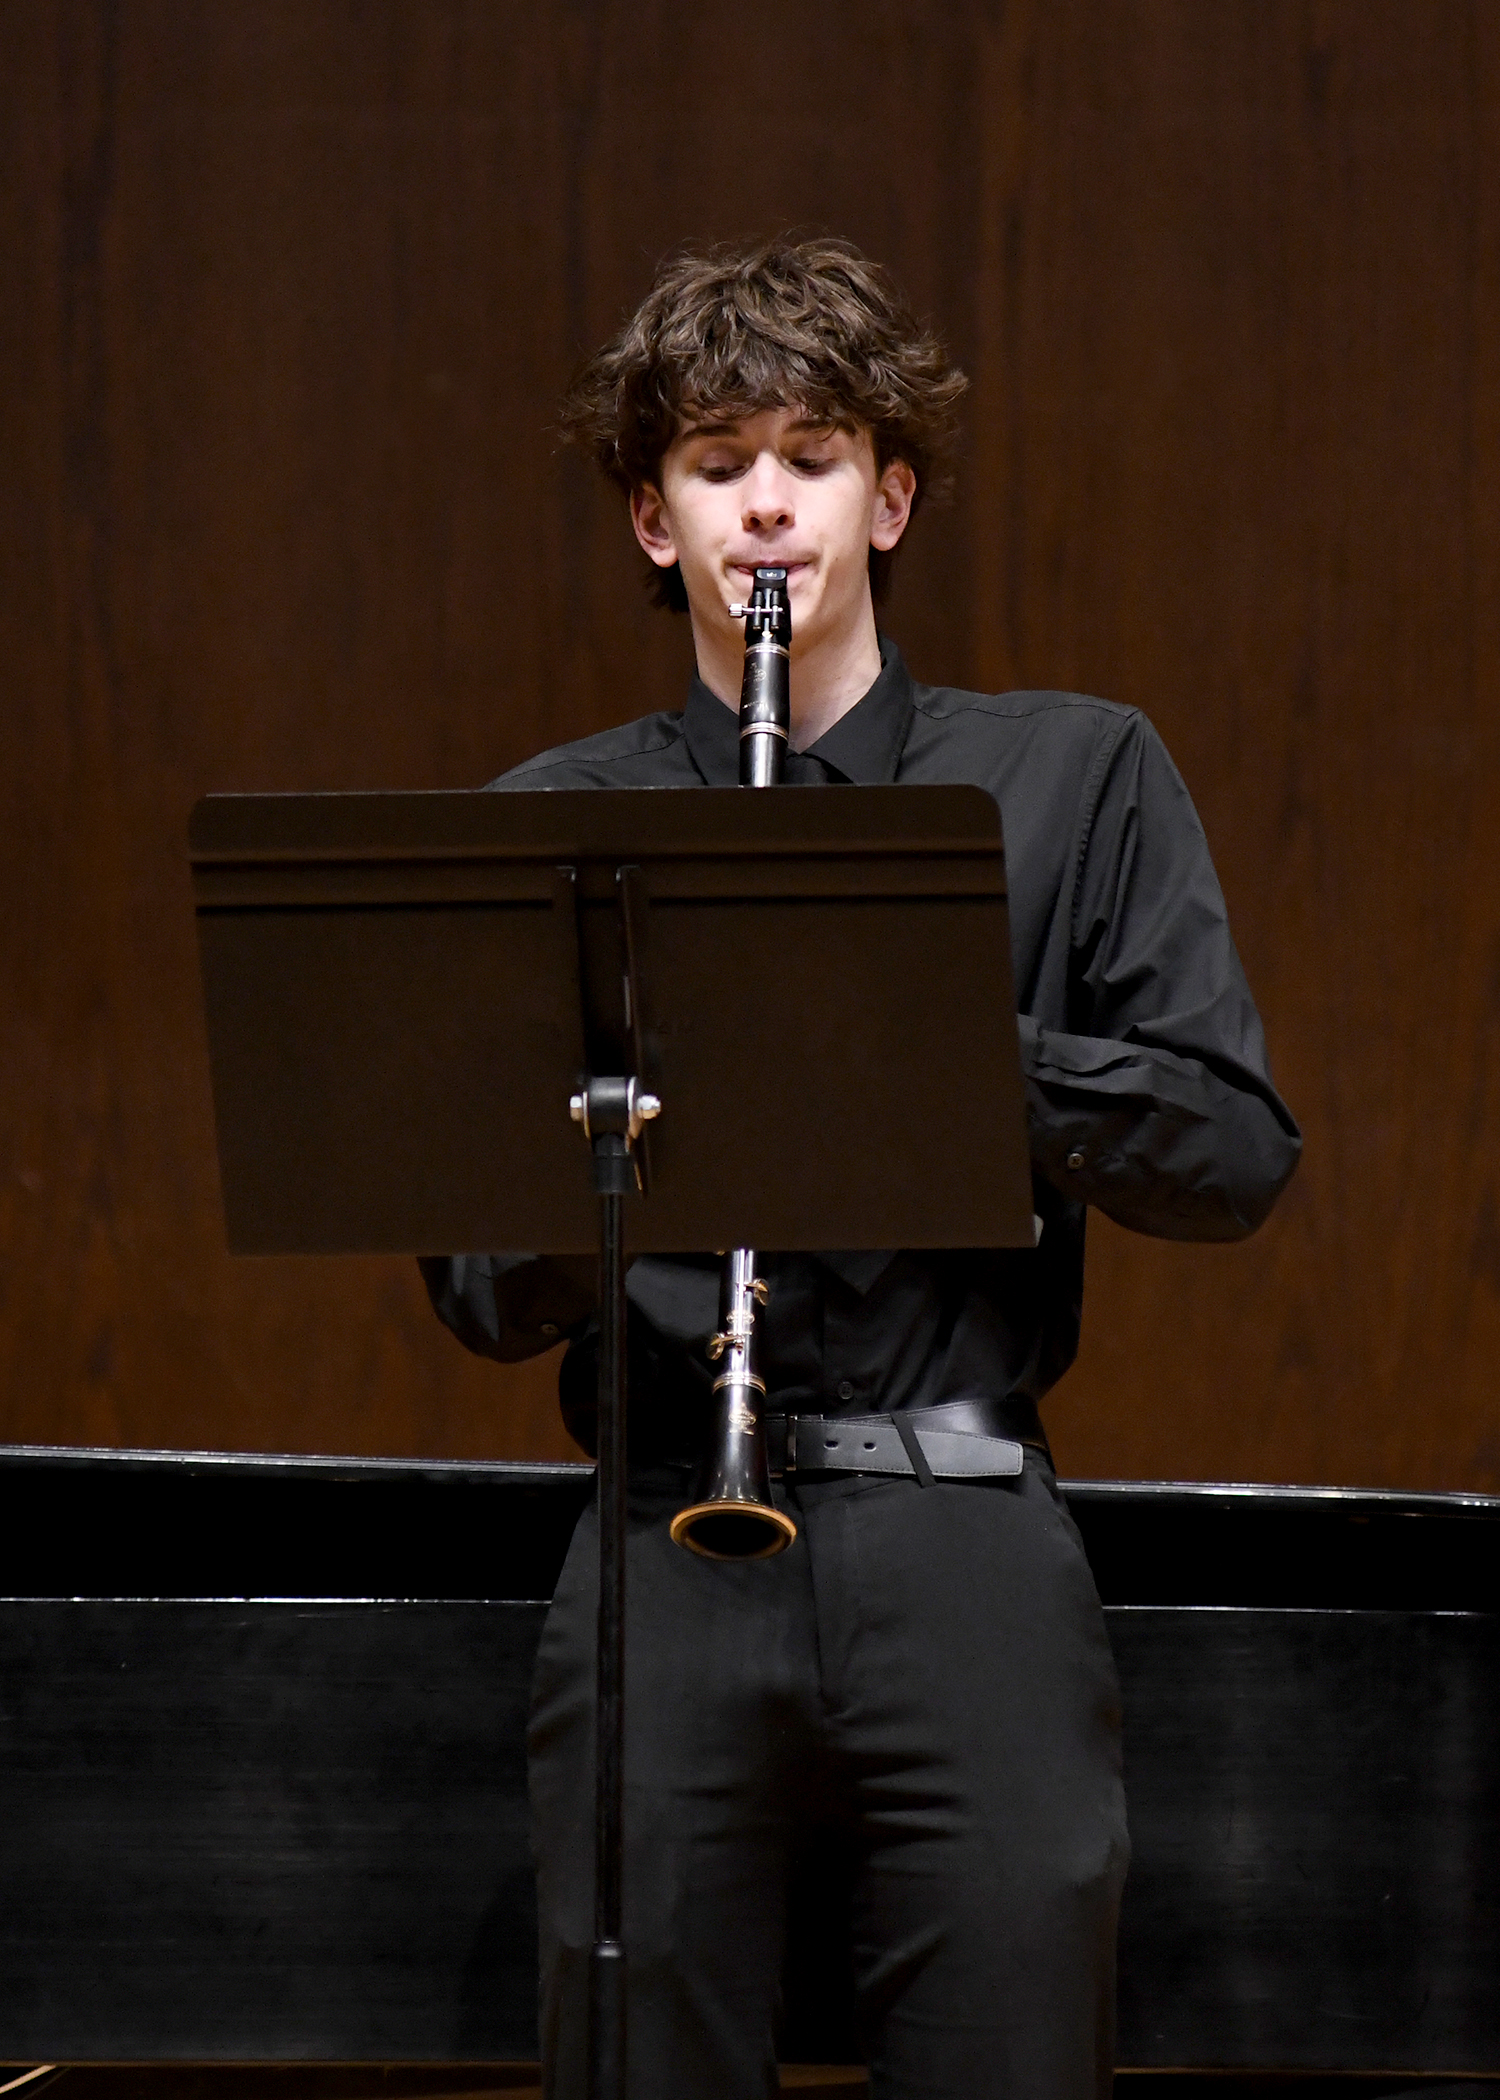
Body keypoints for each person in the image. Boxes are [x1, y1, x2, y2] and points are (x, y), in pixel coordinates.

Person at [422, 236, 1300, 2100]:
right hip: (661, 1536)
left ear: (885, 500)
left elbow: (1231, 1153)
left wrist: (928, 1038)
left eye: (811, 457)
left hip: (961, 1534)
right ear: (654, 520)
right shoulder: (557, 822)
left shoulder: (1078, 777)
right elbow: (481, 1293)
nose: (766, 504)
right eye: (714, 463)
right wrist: (633, 1138)